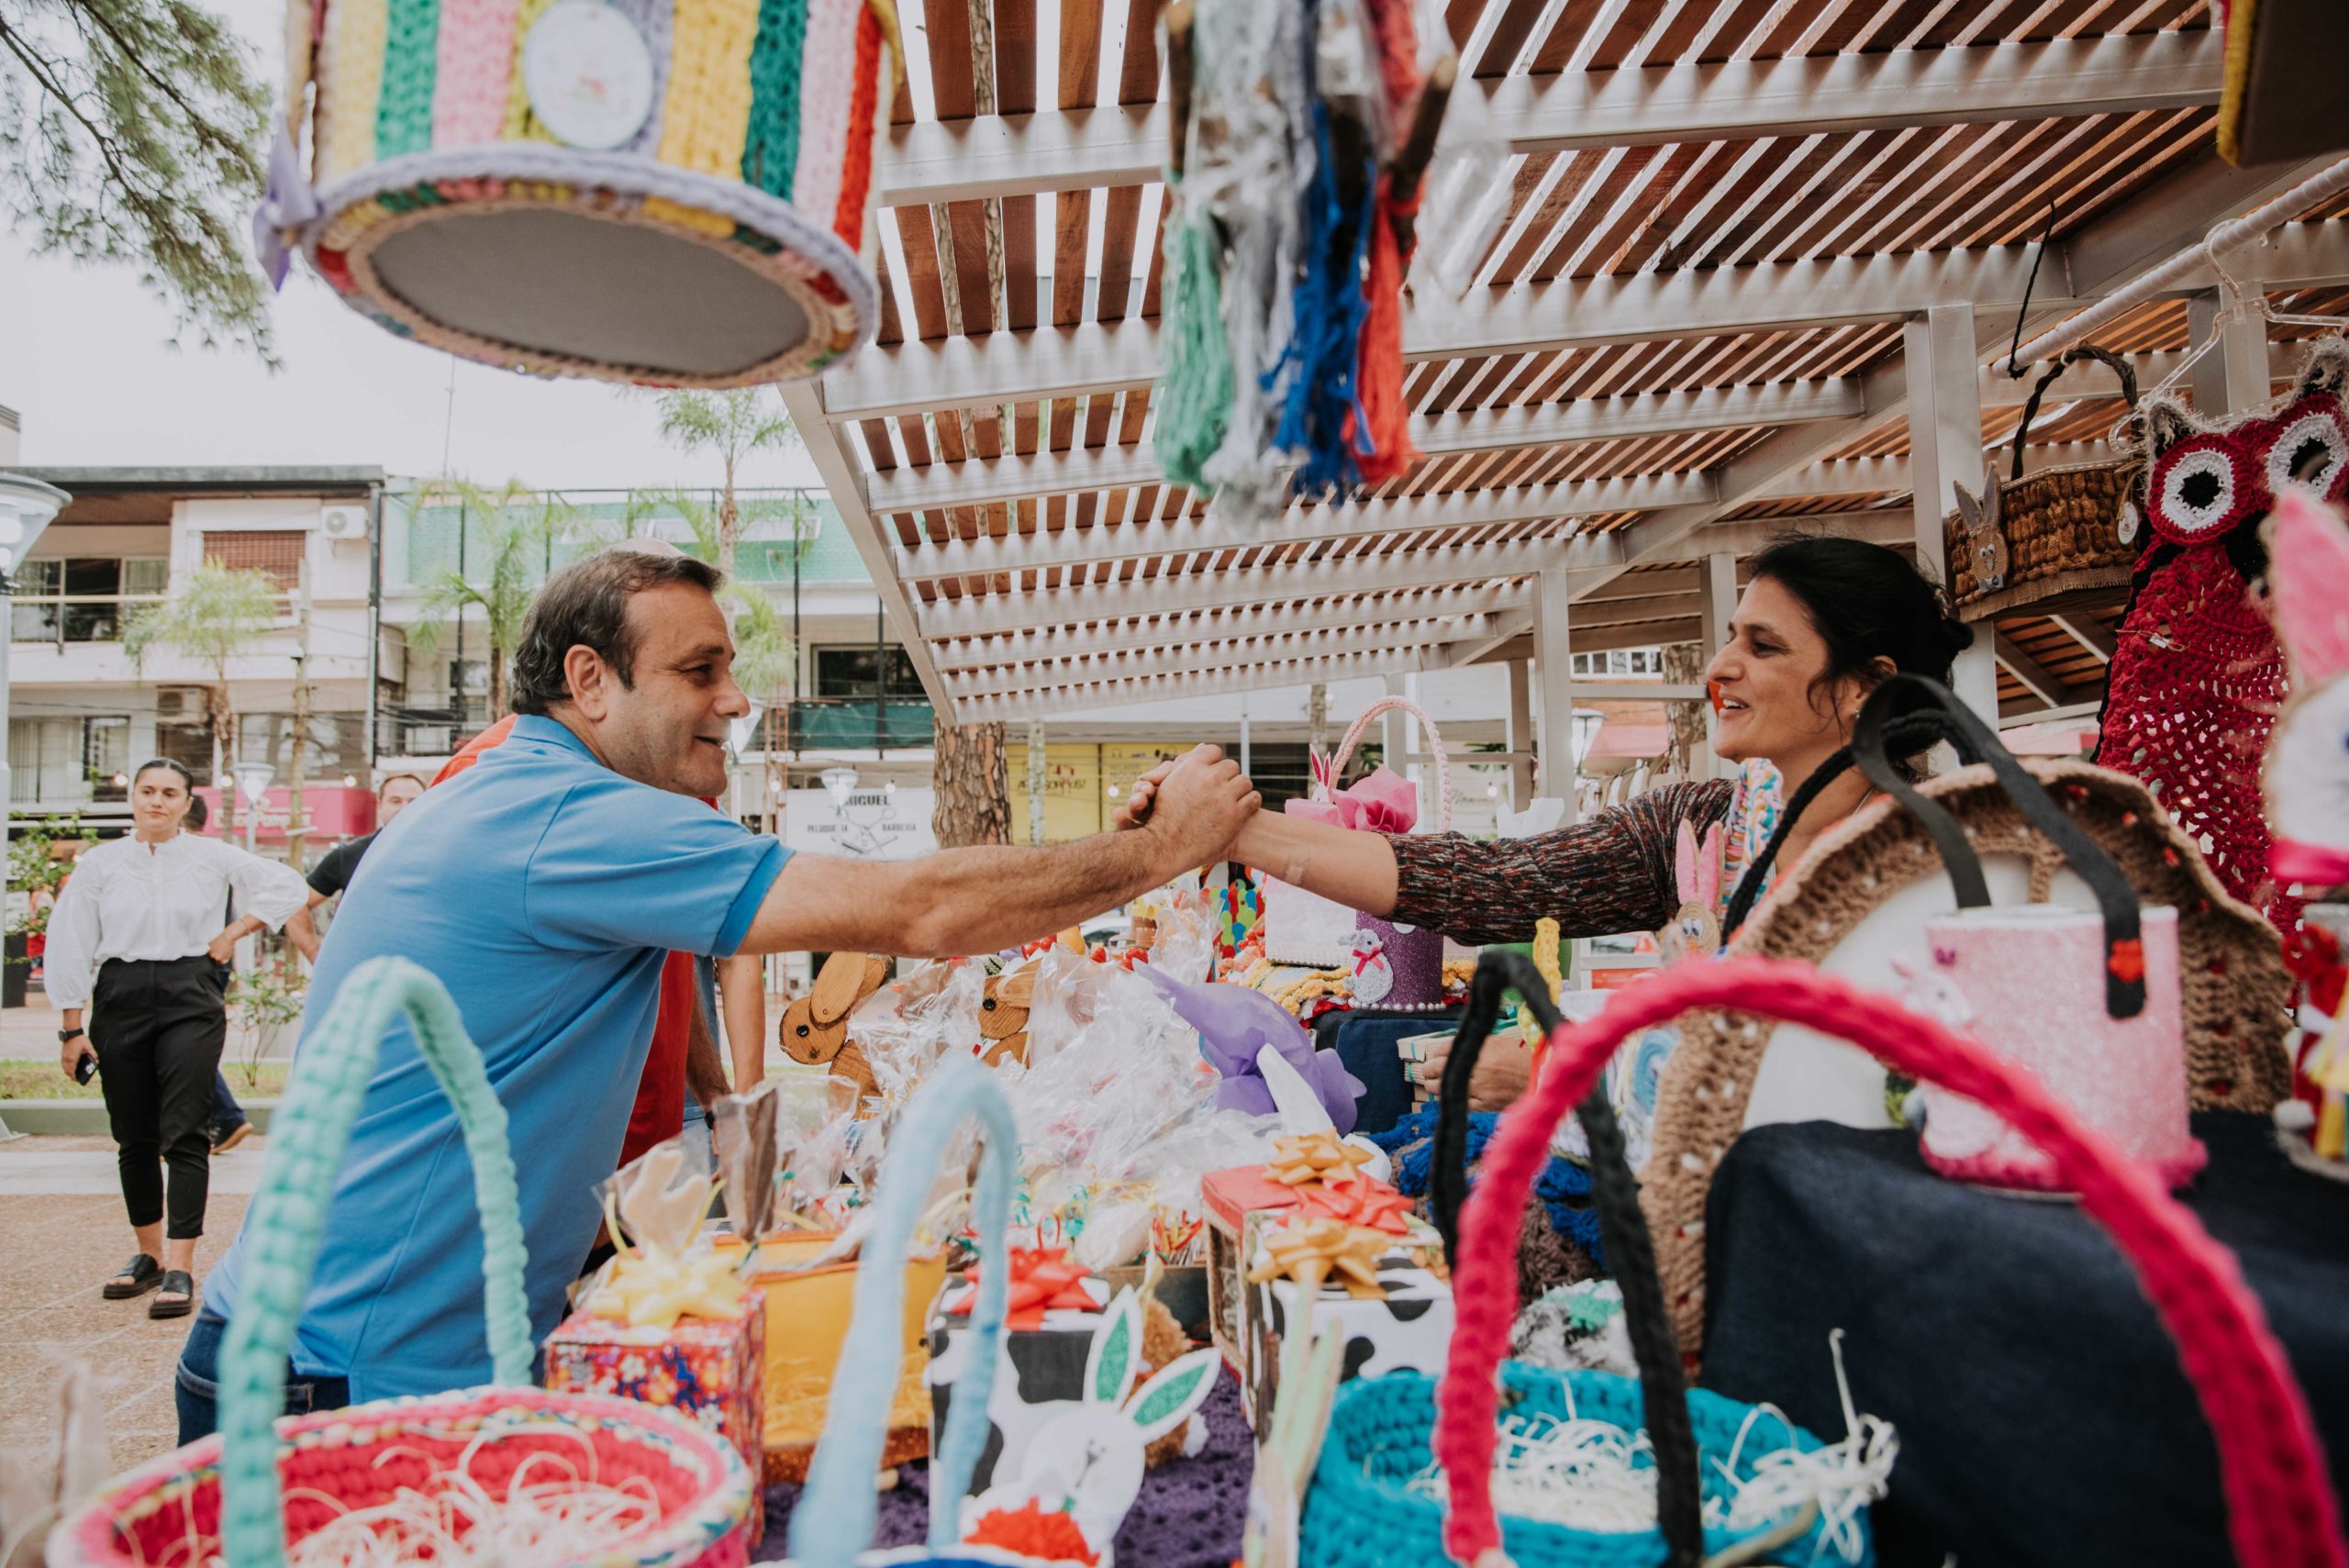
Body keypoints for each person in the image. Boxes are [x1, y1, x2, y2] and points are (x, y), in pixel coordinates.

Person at [173, 542, 1255, 1440]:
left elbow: (659, 978)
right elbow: (922, 908)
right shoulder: (568, 814)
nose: (736, 700)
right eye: (701, 671)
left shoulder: (541, 794)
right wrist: (1162, 850)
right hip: (338, 1371)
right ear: (590, 680)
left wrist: (723, 1127)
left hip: (352, 1349)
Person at [1120, 535, 1976, 1109]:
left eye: (1764, 645)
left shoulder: (1941, 862)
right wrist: (1231, 832)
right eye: (1730, 638)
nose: (1721, 666)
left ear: (1866, 685)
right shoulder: (1708, 822)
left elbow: (1851, 1079)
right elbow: (1489, 883)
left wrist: (1555, 1075)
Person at [45, 760, 311, 1318]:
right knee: (132, 1135)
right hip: (119, 994)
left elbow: (286, 884)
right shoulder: (101, 863)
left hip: (190, 991)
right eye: (148, 792)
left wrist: (237, 931)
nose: (157, 802)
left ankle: (181, 1266)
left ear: (188, 802)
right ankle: (146, 1256)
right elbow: (70, 941)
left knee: (185, 1130)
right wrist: (71, 1027)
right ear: (134, 799)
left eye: (170, 793)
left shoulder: (211, 855)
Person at [179, 792, 257, 1155]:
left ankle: (225, 1117)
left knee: (179, 1048)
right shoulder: (210, 855)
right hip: (213, 962)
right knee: (182, 1047)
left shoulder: (191, 856)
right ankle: (215, 1120)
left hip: (194, 965)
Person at [282, 773, 426, 962]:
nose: (404, 808)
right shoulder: (350, 855)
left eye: (414, 801)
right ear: (380, 805)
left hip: (428, 976)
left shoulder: (444, 854)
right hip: (361, 977)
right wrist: (316, 956)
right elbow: (295, 904)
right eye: (395, 801)